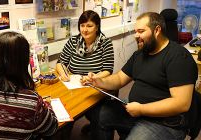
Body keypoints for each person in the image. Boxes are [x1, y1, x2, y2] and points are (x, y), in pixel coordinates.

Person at [82, 12, 198, 140]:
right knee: (99, 114)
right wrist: (98, 81)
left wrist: (141, 109)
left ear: (157, 30)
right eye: (135, 31)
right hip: (136, 110)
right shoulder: (140, 54)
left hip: (165, 123)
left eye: (141, 31)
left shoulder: (178, 57)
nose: (136, 36)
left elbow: (181, 103)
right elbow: (120, 78)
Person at [56, 10, 114, 137]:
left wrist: (93, 77)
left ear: (97, 27)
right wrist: (63, 73)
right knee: (63, 112)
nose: (85, 30)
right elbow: (60, 62)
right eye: (82, 25)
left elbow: (107, 71)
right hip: (73, 87)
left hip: (94, 86)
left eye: (89, 26)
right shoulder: (73, 41)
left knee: (97, 116)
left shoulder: (105, 43)